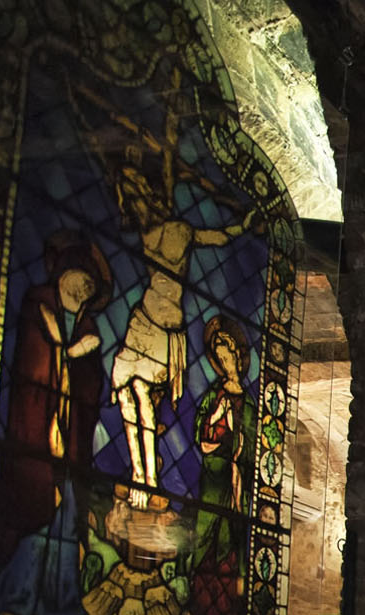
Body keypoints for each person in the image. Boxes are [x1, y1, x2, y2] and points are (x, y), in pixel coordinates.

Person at [108, 158, 255, 509]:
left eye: (136, 197)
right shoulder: (144, 233)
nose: (135, 207)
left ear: (149, 194)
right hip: (140, 320)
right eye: (129, 201)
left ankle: (151, 482)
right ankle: (137, 476)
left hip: (166, 329)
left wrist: (243, 227)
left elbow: (217, 238)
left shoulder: (181, 231)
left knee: (144, 403)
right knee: (127, 397)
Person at [0, 231, 112, 615]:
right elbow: (35, 363)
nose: (82, 290)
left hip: (70, 444)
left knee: (67, 518)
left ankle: (60, 603)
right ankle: (16, 599)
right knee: (34, 509)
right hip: (38, 431)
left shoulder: (87, 326)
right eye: (77, 281)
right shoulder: (39, 304)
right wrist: (72, 350)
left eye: (89, 287)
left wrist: (82, 356)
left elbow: (90, 391)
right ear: (61, 274)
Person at [182, 316, 252, 615]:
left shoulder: (250, 404)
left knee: (232, 545)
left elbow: (251, 446)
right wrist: (219, 422)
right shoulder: (214, 395)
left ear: (238, 355)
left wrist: (238, 446)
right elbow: (202, 432)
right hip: (213, 479)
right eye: (219, 357)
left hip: (236, 482)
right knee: (206, 538)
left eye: (228, 355)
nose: (224, 362)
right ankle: (199, 610)